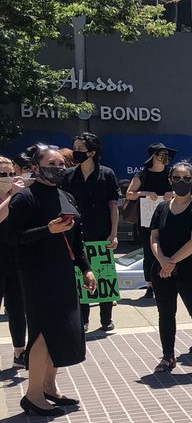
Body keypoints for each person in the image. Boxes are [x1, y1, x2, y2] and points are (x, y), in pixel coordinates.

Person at [5, 145, 97, 417]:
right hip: (37, 276)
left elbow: (76, 239)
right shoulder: (25, 199)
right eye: (51, 163)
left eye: (61, 164)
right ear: (36, 167)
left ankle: (49, 388)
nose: (57, 168)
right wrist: (48, 229)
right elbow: (14, 236)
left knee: (61, 332)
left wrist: (86, 268)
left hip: (63, 274)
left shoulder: (66, 196)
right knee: (43, 333)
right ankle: (32, 395)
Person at [149, 162, 192, 374]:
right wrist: (162, 261)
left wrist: (171, 262)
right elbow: (154, 237)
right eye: (177, 178)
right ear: (170, 180)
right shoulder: (161, 207)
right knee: (166, 314)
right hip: (161, 270)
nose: (181, 182)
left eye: (186, 178)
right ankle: (168, 356)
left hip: (190, 271)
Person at [64, 133, 119, 332]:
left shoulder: (107, 174)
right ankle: (83, 318)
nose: (76, 152)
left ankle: (106, 319)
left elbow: (113, 206)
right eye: (74, 148)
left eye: (80, 148)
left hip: (102, 231)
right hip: (77, 233)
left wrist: (114, 233)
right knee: (81, 275)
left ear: (92, 152)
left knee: (104, 275)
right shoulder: (68, 175)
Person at [125, 143, 176, 299]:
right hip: (147, 219)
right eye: (162, 154)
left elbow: (184, 190)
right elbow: (129, 194)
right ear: (154, 157)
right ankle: (150, 285)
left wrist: (172, 192)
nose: (165, 158)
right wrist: (145, 193)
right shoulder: (142, 174)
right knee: (149, 252)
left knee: (169, 249)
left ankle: (168, 280)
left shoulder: (171, 173)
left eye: (167, 155)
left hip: (169, 217)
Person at [0, 156, 28, 368]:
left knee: (17, 309)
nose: (9, 178)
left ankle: (19, 352)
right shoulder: (13, 198)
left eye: (11, 174)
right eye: (3, 175)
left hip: (16, 261)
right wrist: (12, 197)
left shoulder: (20, 197)